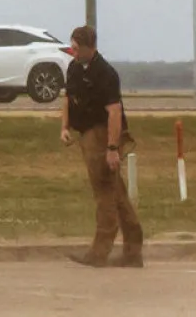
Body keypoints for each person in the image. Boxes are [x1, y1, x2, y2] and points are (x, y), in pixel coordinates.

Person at [59, 24, 143, 267]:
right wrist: (65, 127)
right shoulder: (74, 68)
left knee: (104, 191)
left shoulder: (105, 74)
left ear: (90, 47)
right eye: (72, 47)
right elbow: (68, 99)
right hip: (85, 134)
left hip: (103, 134)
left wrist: (112, 148)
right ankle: (133, 251)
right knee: (117, 193)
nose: (73, 52)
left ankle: (99, 252)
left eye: (77, 48)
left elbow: (114, 112)